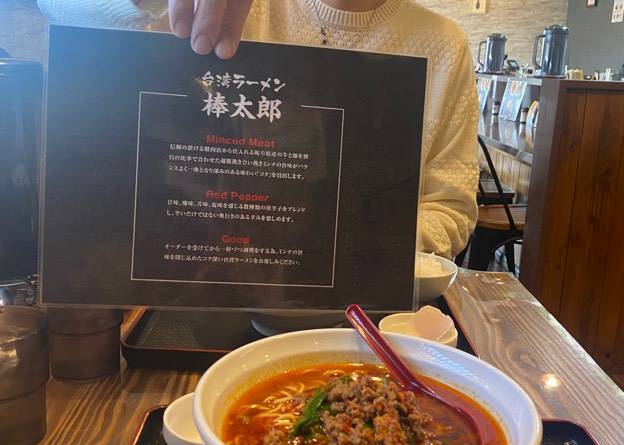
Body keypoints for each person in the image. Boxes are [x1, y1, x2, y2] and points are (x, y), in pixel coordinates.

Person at [36, 0, 478, 259]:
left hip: (368, 316)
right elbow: (65, 11)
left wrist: (343, 245)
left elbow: (449, 209)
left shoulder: (442, 43)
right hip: (199, 283)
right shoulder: (234, 11)